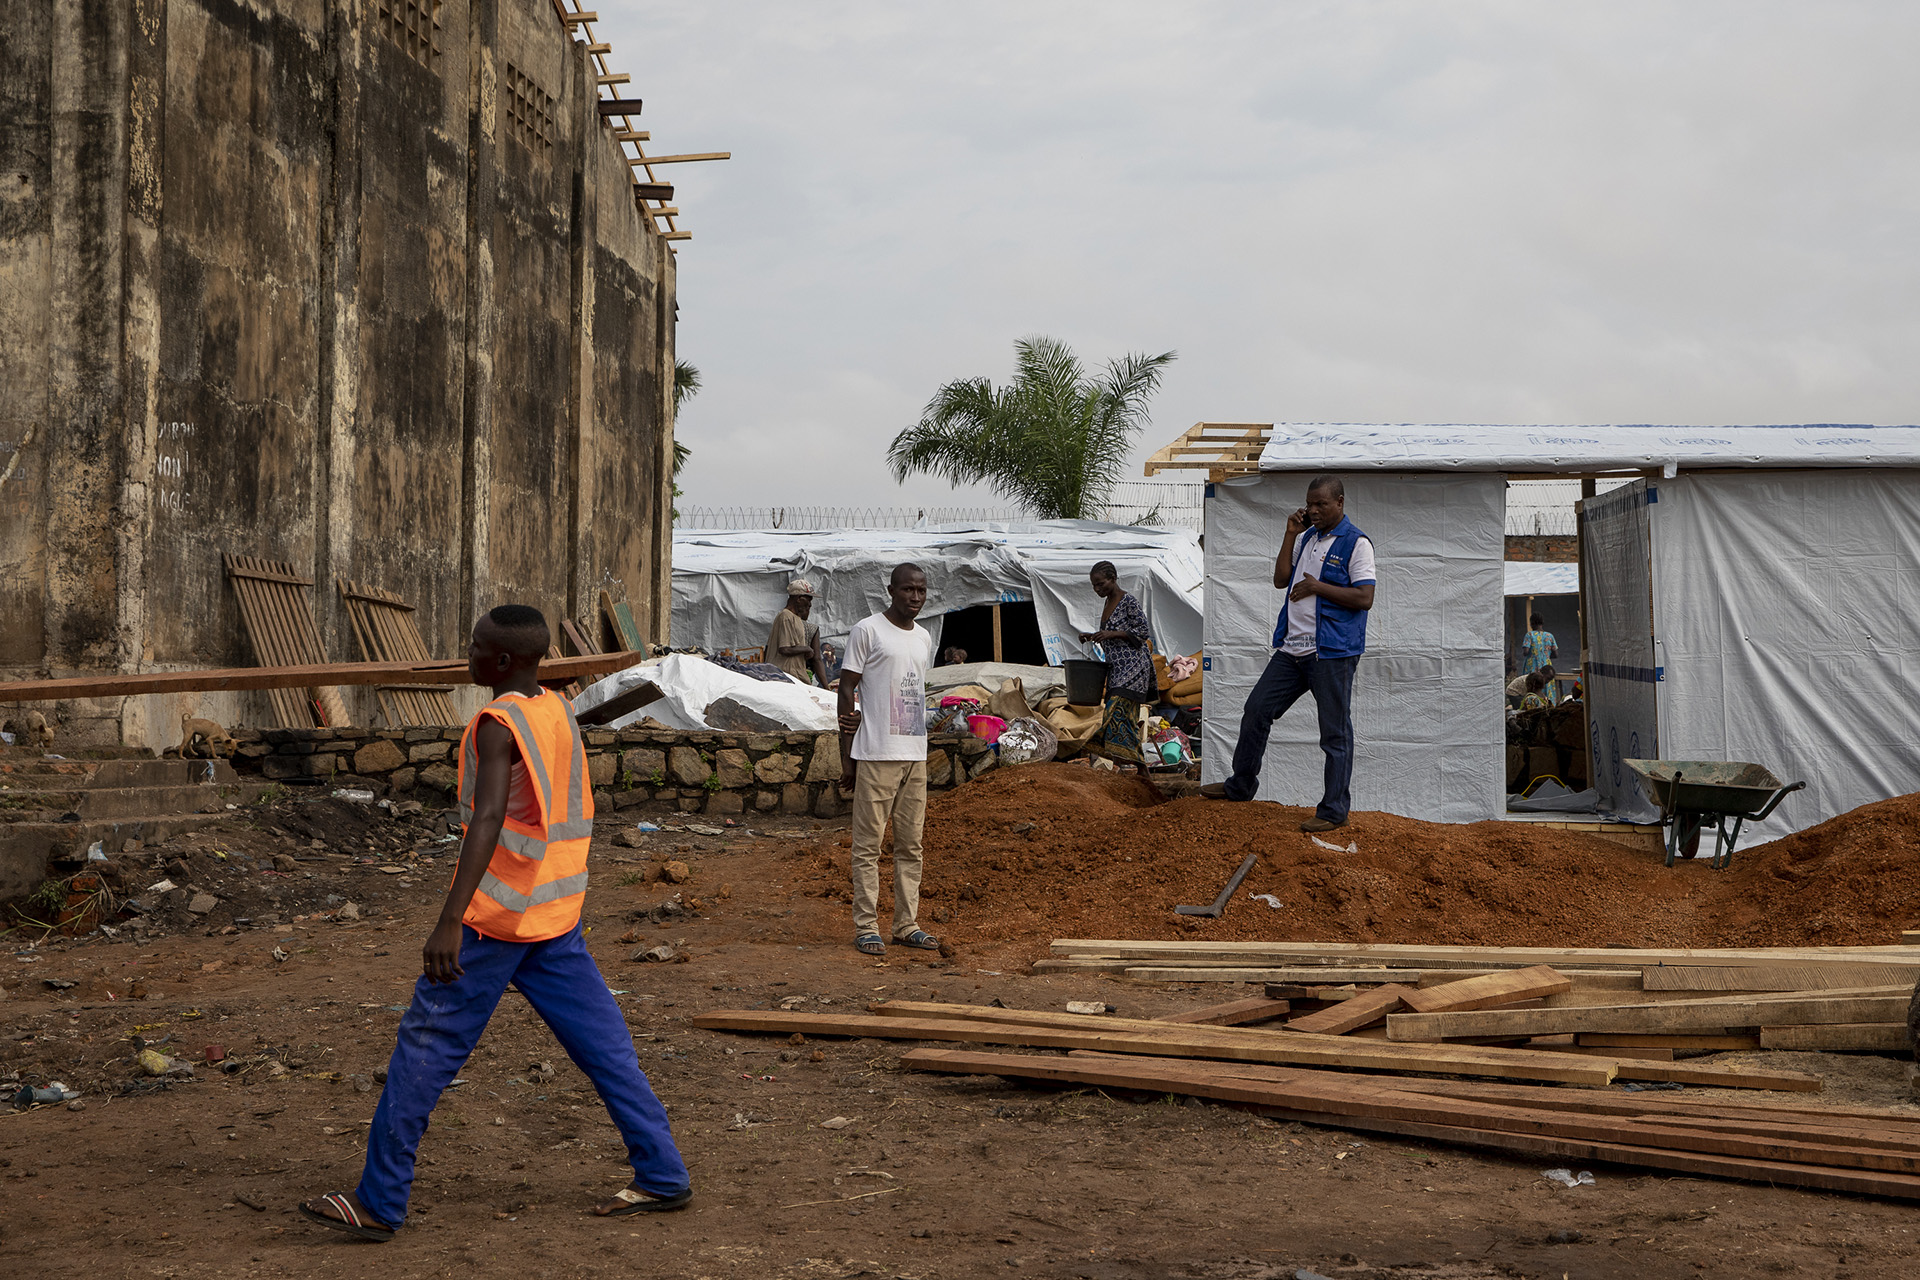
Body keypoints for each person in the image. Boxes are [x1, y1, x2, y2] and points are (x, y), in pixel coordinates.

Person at [298, 606, 691, 1241]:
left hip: (495, 920)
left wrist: (449, 920)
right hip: (556, 915)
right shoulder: (556, 708)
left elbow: (485, 821)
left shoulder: (497, 722)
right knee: (607, 1049)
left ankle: (379, 1202)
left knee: (423, 1054)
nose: (468, 654)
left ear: (503, 661)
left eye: (476, 646)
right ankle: (663, 1175)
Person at [1200, 475, 1375, 832]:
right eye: (1310, 504)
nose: (1313, 510)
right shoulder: (1307, 537)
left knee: (1334, 733)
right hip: (1292, 649)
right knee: (1257, 710)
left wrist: (1317, 587)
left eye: (1321, 504)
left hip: (1331, 652)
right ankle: (1240, 785)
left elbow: (1364, 598)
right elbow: (1282, 579)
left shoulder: (1356, 544)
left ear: (1340, 503)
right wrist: (1291, 533)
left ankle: (1333, 810)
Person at [835, 564, 940, 957]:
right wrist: (848, 758)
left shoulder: (925, 637)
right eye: (908, 590)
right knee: (868, 846)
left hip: (915, 755)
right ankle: (866, 927)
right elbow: (846, 690)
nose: (915, 597)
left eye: (921, 590)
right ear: (891, 590)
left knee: (911, 846)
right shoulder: (868, 630)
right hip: (876, 754)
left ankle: (906, 925)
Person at [1079, 560, 1153, 776]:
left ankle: (1133, 764)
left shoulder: (1127, 600)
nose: (1097, 589)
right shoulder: (1108, 602)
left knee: (1116, 710)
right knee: (1124, 718)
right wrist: (1092, 636)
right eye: (1094, 585)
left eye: (1100, 584)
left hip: (1133, 667)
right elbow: (1113, 634)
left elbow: (1142, 632)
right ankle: (1136, 769)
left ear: (1113, 579)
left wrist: (1111, 634)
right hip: (1116, 668)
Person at [765, 578, 827, 685]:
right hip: (784, 676)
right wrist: (807, 649)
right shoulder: (786, 616)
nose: (810, 605)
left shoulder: (796, 619)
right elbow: (784, 649)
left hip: (795, 677)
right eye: (808, 600)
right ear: (799, 598)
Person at [1519, 612, 1558, 677]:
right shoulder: (1550, 636)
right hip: (1546, 667)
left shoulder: (1529, 635)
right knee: (1545, 683)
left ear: (1531, 623)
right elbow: (1556, 654)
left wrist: (1528, 654)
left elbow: (1526, 651)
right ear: (1542, 622)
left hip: (1532, 667)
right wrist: (1545, 656)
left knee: (1532, 684)